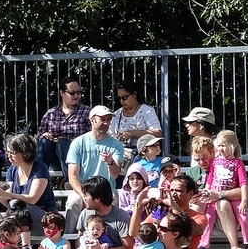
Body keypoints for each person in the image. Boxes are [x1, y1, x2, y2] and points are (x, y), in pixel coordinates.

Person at [0, 133, 58, 249]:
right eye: (7, 153)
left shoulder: (40, 168)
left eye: (12, 153)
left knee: (18, 204)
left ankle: (26, 246)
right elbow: (8, 201)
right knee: (13, 205)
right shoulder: (12, 170)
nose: (9, 157)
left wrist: (5, 193)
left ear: (25, 152)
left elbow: (32, 199)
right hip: (21, 218)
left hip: (45, 219)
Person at [64, 106, 124, 234]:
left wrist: (110, 162)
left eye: (108, 120)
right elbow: (72, 176)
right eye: (102, 119)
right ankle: (68, 239)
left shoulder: (116, 145)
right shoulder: (78, 143)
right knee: (73, 202)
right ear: (92, 120)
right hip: (84, 190)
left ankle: (111, 239)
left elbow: (115, 174)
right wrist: (84, 196)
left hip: (107, 191)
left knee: (114, 199)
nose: (106, 123)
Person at [199, 130, 248, 249]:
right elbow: (210, 179)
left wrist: (244, 201)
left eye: (223, 145)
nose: (220, 149)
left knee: (244, 218)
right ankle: (203, 243)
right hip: (215, 197)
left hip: (233, 198)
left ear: (232, 146)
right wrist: (206, 193)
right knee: (208, 217)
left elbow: (243, 183)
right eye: (219, 146)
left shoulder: (238, 163)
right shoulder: (215, 162)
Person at [35, 76, 91, 180]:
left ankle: (70, 180)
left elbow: (92, 136)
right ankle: (38, 179)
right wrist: (44, 135)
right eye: (72, 93)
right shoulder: (51, 113)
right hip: (53, 158)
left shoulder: (86, 112)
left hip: (77, 157)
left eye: (78, 92)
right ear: (62, 93)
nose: (76, 96)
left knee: (63, 142)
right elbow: (38, 137)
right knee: (44, 142)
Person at [109, 79, 162, 149]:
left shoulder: (147, 111)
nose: (122, 101)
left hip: (144, 155)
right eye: (119, 98)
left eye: (124, 97)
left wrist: (133, 133)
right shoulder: (117, 114)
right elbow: (110, 135)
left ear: (134, 95)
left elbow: (158, 134)